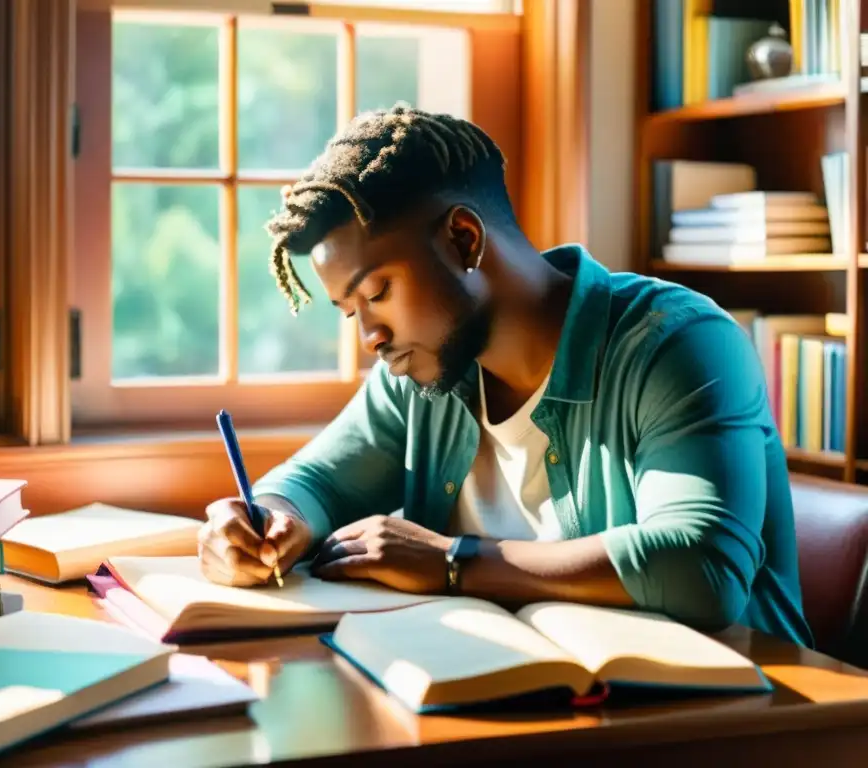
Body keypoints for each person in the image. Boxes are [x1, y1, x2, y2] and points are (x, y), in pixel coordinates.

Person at [198, 103, 813, 646]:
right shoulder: (422, 375)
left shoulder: (677, 343)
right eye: (350, 311)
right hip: (533, 709)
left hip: (737, 716)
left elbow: (702, 567)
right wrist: (265, 520)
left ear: (464, 240)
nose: (371, 337)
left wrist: (453, 562)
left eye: (379, 292)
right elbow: (315, 483)